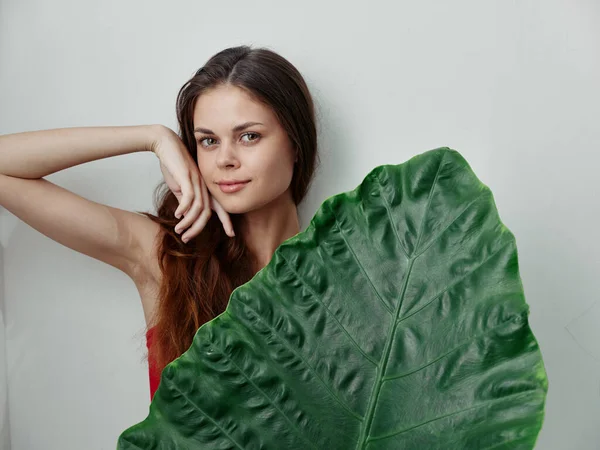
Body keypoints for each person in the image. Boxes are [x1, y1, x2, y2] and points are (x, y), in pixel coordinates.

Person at [0, 45, 320, 400]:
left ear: (295, 143)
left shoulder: (344, 274)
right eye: (208, 141)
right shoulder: (167, 257)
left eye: (249, 136)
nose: (225, 159)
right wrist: (153, 138)